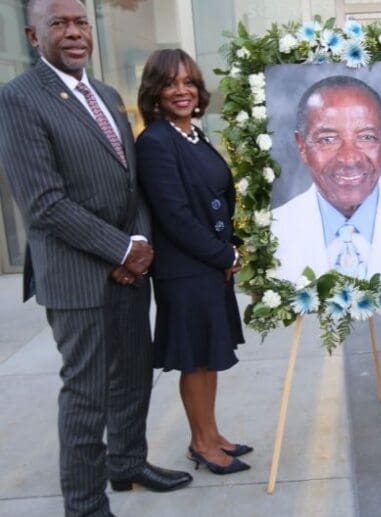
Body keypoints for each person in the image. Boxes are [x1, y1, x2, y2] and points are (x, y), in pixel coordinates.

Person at [0, 1, 192, 514]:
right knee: (87, 392)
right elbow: (44, 203)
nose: (73, 32)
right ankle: (85, 504)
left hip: (128, 273)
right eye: (58, 23)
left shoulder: (105, 94)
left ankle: (127, 463)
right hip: (77, 277)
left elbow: (132, 185)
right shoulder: (18, 99)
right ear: (33, 35)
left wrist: (139, 247)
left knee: (133, 373)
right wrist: (121, 247)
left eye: (81, 22)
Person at [136, 49, 250, 475]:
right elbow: (175, 216)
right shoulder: (155, 142)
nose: (181, 91)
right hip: (183, 271)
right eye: (170, 83)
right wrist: (225, 254)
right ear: (155, 92)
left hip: (207, 266)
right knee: (194, 359)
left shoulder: (192, 134)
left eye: (187, 82)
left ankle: (211, 432)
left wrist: (228, 248)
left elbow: (217, 197)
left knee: (208, 354)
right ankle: (202, 443)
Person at [271, 75, 381, 281]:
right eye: (328, 139)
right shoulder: (273, 229)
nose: (349, 159)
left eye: (366, 137)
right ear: (301, 146)